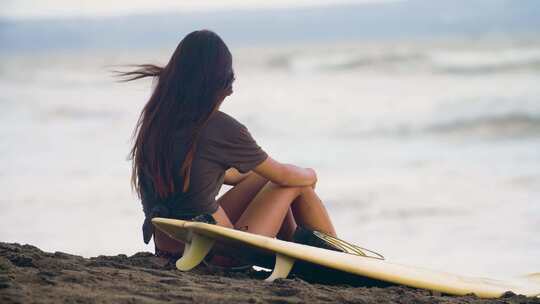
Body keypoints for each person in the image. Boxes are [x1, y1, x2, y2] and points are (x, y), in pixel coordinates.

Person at [117, 29, 339, 269]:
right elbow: (284, 176)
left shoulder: (157, 122)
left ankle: (305, 254)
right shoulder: (219, 127)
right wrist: (310, 174)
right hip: (218, 253)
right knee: (294, 183)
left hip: (169, 248)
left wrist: (260, 176)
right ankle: (337, 258)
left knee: (264, 177)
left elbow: (222, 176)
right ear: (218, 85)